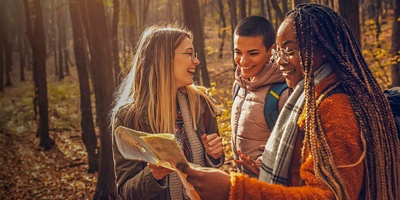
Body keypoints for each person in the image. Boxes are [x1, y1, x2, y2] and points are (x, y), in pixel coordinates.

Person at [179, 3, 400, 200]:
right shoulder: (311, 98)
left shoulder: (332, 107)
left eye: (291, 50)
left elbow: (330, 195)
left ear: (323, 50)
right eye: (280, 50)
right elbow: (302, 177)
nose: (281, 60)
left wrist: (234, 190)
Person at [110, 24, 225, 200]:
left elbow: (213, 171)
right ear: (163, 58)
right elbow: (126, 191)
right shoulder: (129, 117)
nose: (196, 61)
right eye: (189, 54)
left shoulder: (201, 104)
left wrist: (214, 157)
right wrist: (153, 175)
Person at [231, 16, 289, 177]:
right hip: (242, 184)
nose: (243, 61)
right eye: (238, 52)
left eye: (253, 53)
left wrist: (265, 163)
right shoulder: (238, 86)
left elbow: (295, 150)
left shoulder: (282, 93)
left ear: (270, 50)